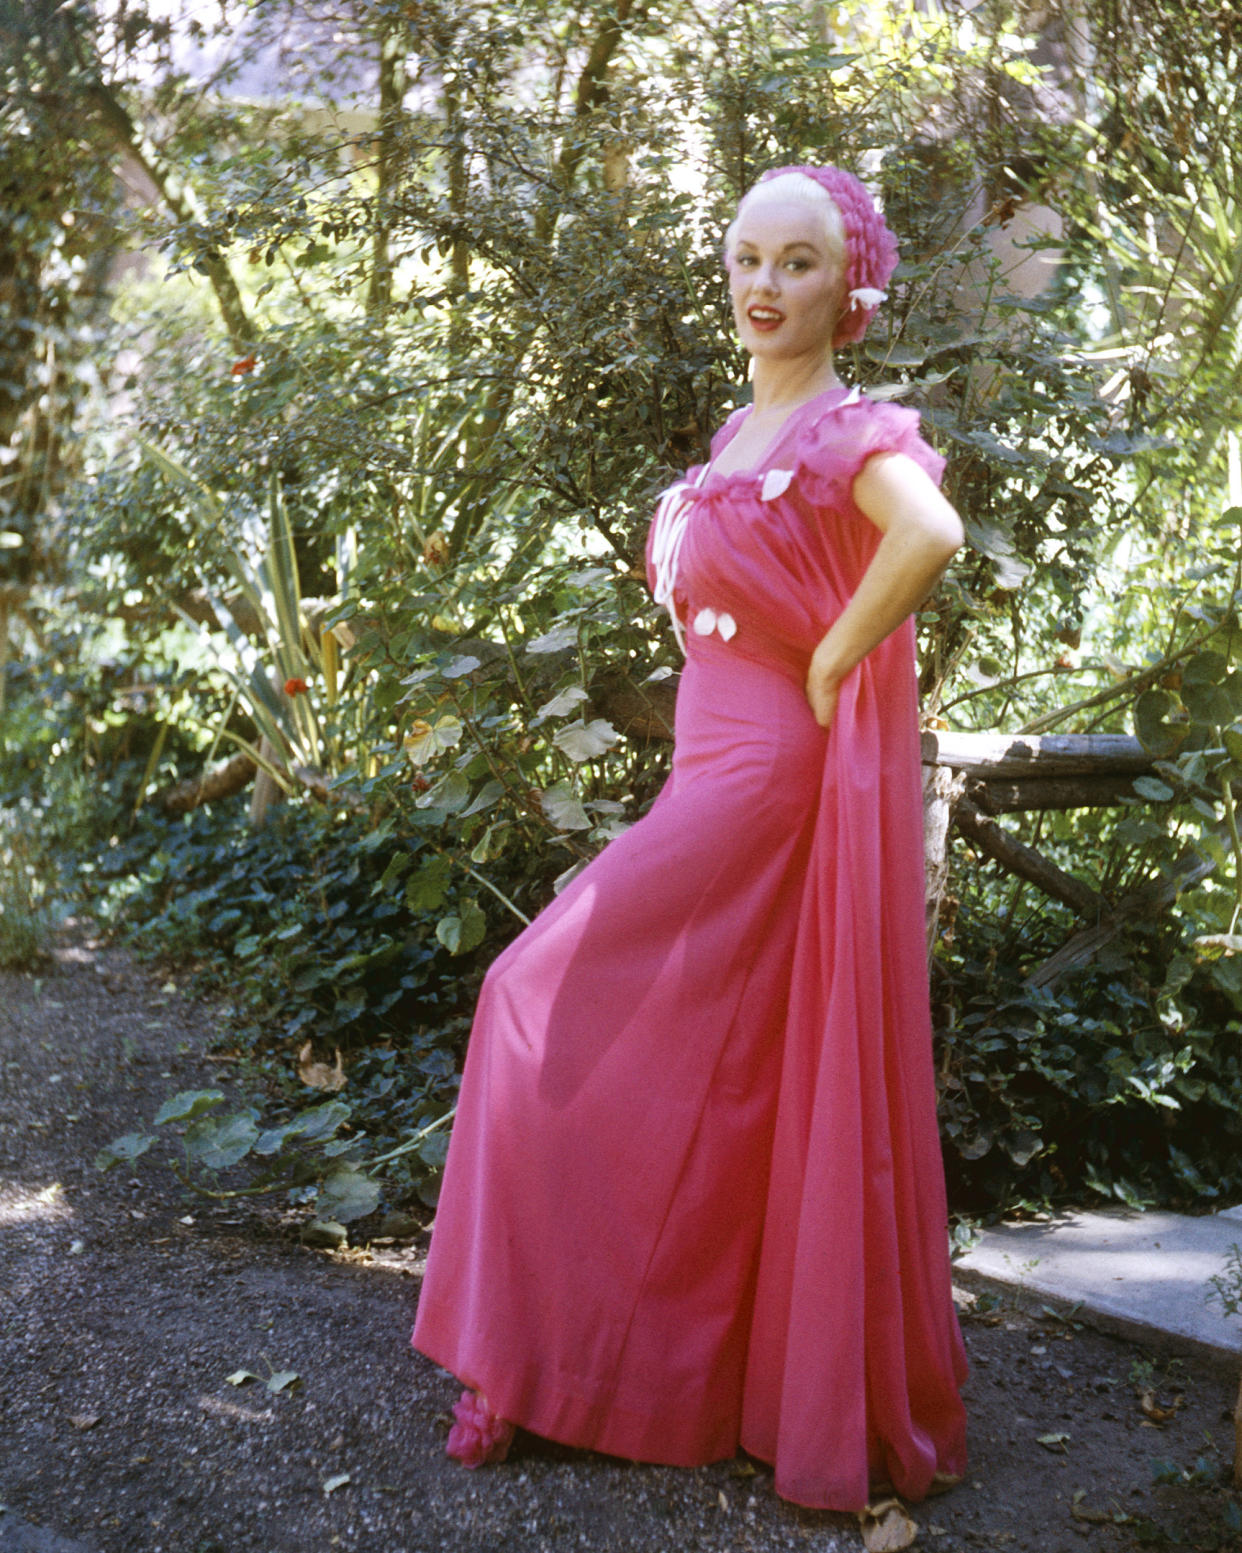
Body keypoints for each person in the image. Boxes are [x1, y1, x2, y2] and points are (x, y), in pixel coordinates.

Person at [410, 164, 969, 1516]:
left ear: (851, 286)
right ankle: (620, 1368)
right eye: (746, 258)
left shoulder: (849, 429)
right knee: (710, 1078)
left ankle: (534, 1360)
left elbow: (930, 531)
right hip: (703, 775)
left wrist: (838, 652)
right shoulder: (741, 429)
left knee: (529, 992)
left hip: (759, 783)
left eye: (795, 262)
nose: (764, 286)